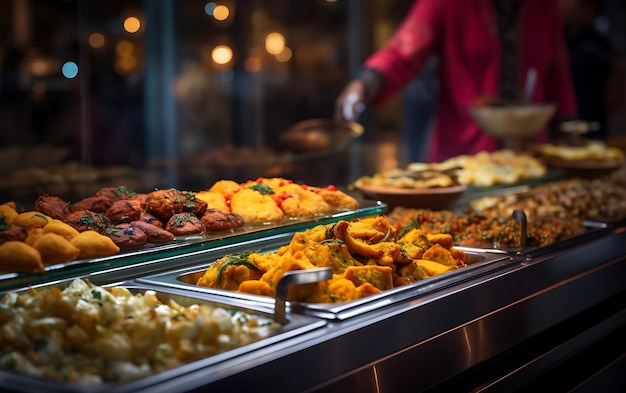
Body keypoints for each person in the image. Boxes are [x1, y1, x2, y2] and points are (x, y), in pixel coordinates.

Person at [335, 0, 578, 163]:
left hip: (531, 157)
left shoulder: (545, 6)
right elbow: (403, 51)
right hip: (464, 157)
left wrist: (569, 136)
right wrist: (365, 83)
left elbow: (558, 75)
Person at [561, 0, 625, 139]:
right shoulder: (559, 40)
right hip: (560, 124)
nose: (576, 9)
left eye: (584, 5)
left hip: (595, 125)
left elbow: (614, 101)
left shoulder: (603, 45)